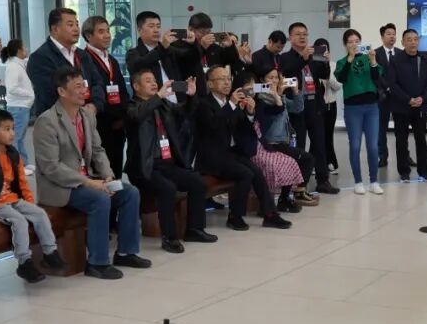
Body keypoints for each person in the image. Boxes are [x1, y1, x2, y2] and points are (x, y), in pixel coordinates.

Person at [33, 65, 149, 280]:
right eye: (77, 86)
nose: (84, 91)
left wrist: (107, 175)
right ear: (61, 91)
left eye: (84, 85)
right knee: (100, 199)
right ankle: (97, 262)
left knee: (129, 193)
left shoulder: (86, 116)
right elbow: (51, 167)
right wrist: (88, 183)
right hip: (61, 187)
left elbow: (97, 150)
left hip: (89, 180)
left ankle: (126, 253)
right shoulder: (46, 121)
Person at [0, 109, 67, 284]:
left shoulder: (13, 154)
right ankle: (24, 262)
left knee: (40, 214)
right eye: (6, 129)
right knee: (18, 221)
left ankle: (50, 253)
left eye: (12, 128)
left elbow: (21, 182)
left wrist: (29, 203)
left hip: (12, 199)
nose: (12, 133)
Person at [125, 68, 218, 253]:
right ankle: (169, 238)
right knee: (167, 188)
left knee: (197, 182)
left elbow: (185, 112)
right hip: (145, 167)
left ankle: (194, 229)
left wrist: (191, 96)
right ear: (136, 86)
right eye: (148, 81)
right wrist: (158, 96)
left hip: (166, 163)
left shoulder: (163, 104)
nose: (154, 83)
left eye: (154, 80)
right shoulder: (131, 107)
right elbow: (138, 115)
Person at [192, 65, 292, 230]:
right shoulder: (203, 104)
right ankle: (235, 216)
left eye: (228, 78)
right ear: (210, 84)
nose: (226, 82)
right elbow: (214, 125)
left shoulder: (231, 102)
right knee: (245, 173)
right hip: (212, 157)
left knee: (257, 172)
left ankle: (270, 214)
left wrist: (250, 113)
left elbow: (243, 128)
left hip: (231, 153)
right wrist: (232, 105)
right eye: (221, 79)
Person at [276, 22, 338, 196]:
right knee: (300, 145)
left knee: (319, 144)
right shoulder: (284, 57)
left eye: (305, 34)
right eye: (298, 34)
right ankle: (300, 184)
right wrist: (302, 59)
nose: (302, 37)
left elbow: (324, 75)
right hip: (296, 107)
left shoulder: (314, 55)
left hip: (314, 104)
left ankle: (323, 181)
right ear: (290, 38)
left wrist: (326, 62)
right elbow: (286, 74)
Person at [247, 69, 316, 212]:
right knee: (306, 159)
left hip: (283, 141)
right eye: (270, 78)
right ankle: (293, 195)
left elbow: (297, 108)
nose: (274, 81)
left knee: (303, 159)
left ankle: (287, 197)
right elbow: (270, 116)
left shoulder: (279, 96)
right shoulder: (261, 99)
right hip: (270, 143)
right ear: (262, 81)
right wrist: (276, 95)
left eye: (276, 78)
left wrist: (296, 91)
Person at [26, 8, 103, 116]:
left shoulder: (83, 55)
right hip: (56, 120)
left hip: (87, 117)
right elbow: (50, 93)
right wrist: (79, 111)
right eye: (70, 25)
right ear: (55, 29)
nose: (76, 29)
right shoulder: (39, 58)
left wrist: (94, 105)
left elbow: (97, 82)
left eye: (77, 24)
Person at [335, 29, 384, 195]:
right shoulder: (342, 62)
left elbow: (377, 77)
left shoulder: (368, 58)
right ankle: (358, 182)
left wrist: (373, 60)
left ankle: (374, 181)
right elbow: (341, 78)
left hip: (372, 107)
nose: (354, 44)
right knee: (355, 145)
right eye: (350, 42)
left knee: (373, 146)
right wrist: (349, 59)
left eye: (357, 41)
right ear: (345, 45)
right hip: (352, 108)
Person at [82, 15, 131, 178]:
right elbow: (89, 94)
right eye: (101, 32)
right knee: (102, 172)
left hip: (118, 124)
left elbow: (123, 91)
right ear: (89, 36)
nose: (107, 35)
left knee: (116, 169)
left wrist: (123, 116)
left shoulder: (111, 60)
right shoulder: (84, 60)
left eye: (108, 31)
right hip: (99, 124)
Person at [385, 28, 427, 182]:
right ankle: (404, 172)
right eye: (409, 39)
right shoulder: (395, 60)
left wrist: (423, 98)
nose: (413, 42)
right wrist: (408, 99)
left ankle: (424, 171)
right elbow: (392, 84)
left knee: (421, 140)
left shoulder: (425, 59)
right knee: (401, 141)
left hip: (420, 107)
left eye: (415, 39)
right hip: (401, 107)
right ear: (403, 42)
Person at [168, 12, 240, 96]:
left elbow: (234, 63)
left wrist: (230, 47)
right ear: (190, 29)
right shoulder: (177, 46)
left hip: (213, 94)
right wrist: (201, 47)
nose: (206, 36)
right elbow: (187, 63)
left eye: (208, 32)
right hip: (189, 93)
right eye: (202, 32)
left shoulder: (213, 47)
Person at [125, 10, 182, 94]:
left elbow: (174, 79)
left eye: (158, 26)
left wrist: (193, 43)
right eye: (151, 26)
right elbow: (143, 62)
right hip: (152, 101)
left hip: (174, 99)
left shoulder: (169, 50)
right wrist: (162, 47)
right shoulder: (132, 54)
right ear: (139, 30)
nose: (156, 30)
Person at [2, 39, 34, 175]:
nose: (26, 49)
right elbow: (12, 88)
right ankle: (16, 166)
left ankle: (23, 163)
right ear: (19, 50)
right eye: (24, 47)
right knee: (15, 137)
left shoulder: (18, 64)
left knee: (19, 137)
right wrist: (29, 94)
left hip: (22, 106)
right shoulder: (14, 67)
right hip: (18, 106)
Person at [373, 24, 398, 168]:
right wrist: (387, 87)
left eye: (393, 33)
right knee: (381, 127)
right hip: (382, 96)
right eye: (388, 34)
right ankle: (382, 156)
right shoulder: (375, 54)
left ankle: (405, 155)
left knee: (401, 128)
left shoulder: (400, 53)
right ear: (382, 37)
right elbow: (376, 75)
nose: (392, 36)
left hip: (399, 96)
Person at [315, 38, 342, 174]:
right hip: (315, 105)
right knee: (316, 136)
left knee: (328, 135)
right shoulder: (311, 65)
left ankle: (331, 162)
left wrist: (328, 67)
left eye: (324, 49)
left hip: (330, 105)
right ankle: (316, 163)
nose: (322, 52)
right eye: (319, 49)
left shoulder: (333, 65)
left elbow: (337, 86)